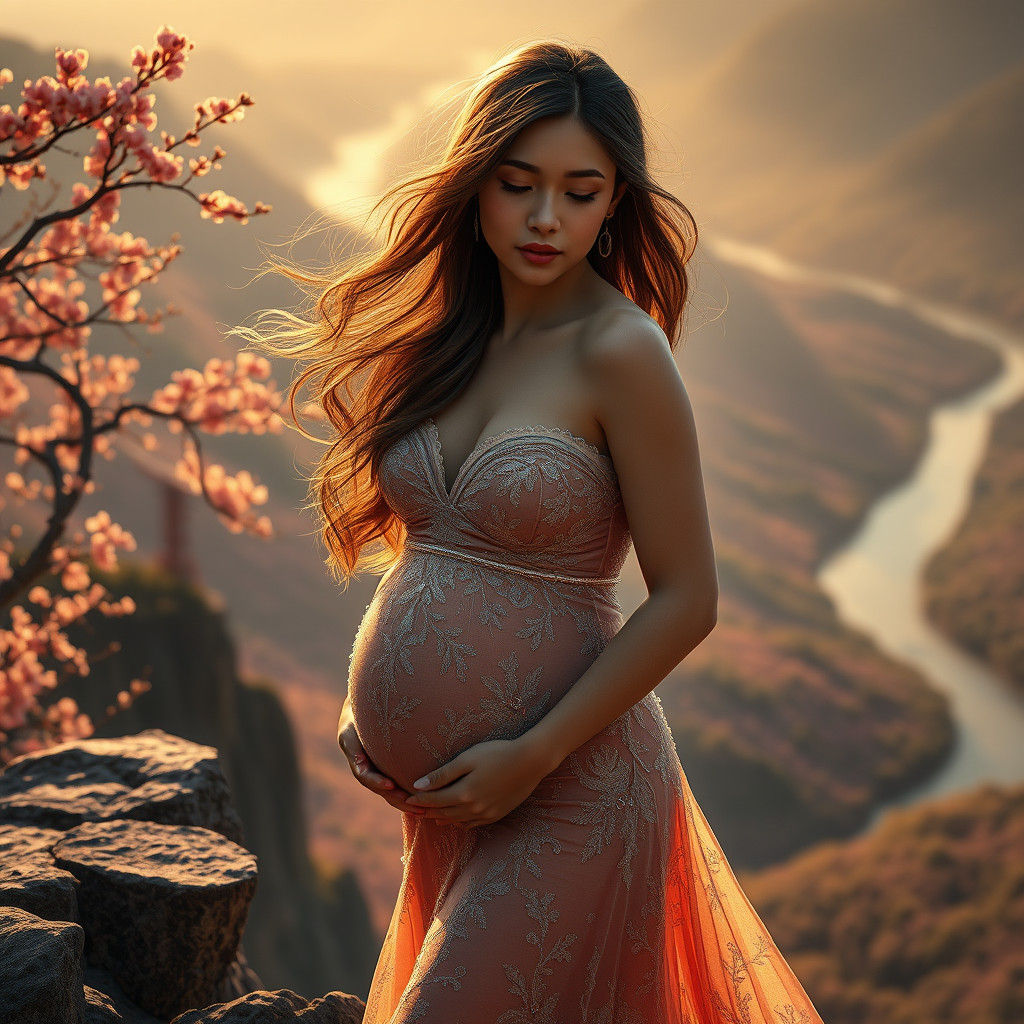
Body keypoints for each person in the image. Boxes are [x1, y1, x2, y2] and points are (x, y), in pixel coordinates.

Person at [242, 38, 826, 1024]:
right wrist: (369, 708)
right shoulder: (454, 334)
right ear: (476, 184)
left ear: (614, 205)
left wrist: (534, 753)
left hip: (573, 784)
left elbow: (689, 598)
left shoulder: (621, 352)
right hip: (447, 801)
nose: (546, 217)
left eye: (580, 190)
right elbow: (442, 547)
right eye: (518, 184)